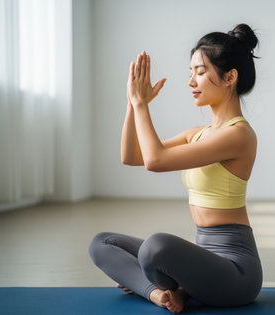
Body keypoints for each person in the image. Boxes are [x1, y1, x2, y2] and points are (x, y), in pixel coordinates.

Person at [88, 23, 262, 314]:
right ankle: (160, 294)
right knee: (101, 243)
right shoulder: (198, 133)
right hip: (202, 261)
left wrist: (143, 105)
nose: (191, 81)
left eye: (201, 72)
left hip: (236, 274)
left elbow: (155, 161)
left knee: (156, 247)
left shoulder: (238, 135)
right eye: (191, 72)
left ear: (230, 76)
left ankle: (174, 288)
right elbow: (132, 156)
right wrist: (133, 104)